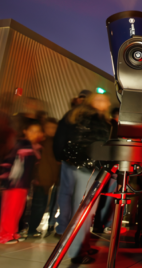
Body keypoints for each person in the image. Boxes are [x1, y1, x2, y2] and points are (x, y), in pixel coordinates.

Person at [64, 92, 111, 264]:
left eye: (104, 99)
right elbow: (85, 143)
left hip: (92, 167)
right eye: (99, 99)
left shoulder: (97, 118)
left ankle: (82, 246)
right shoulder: (89, 118)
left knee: (87, 211)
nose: (103, 102)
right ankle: (76, 251)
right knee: (83, 210)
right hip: (87, 168)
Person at [0, 120, 43, 244]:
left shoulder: (34, 147)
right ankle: (5, 235)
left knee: (17, 209)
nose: (35, 133)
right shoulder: (22, 144)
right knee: (10, 210)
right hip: (14, 183)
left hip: (23, 183)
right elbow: (8, 161)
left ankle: (12, 233)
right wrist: (6, 179)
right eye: (32, 131)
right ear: (25, 131)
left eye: (37, 131)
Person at [53, 90, 91, 238]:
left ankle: (63, 227)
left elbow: (59, 137)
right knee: (81, 196)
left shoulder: (69, 115)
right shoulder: (91, 117)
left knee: (65, 193)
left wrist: (59, 155)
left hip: (68, 159)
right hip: (85, 162)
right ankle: (76, 229)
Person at [28, 118, 61, 237]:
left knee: (40, 205)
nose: (51, 130)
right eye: (49, 127)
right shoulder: (42, 143)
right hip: (41, 180)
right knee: (38, 205)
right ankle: (31, 229)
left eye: (54, 128)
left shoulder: (54, 143)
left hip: (47, 180)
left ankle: (32, 228)